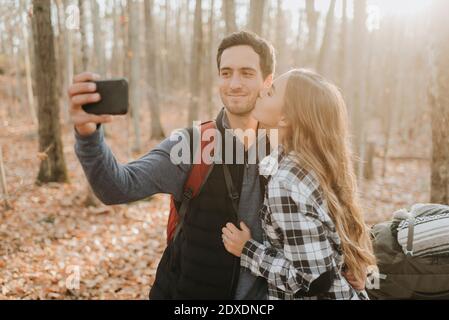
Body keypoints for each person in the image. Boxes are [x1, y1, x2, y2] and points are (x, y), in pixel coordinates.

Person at [68, 30, 364, 299]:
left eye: (247, 73)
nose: (234, 84)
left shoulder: (292, 148)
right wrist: (88, 136)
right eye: (226, 72)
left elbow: (330, 208)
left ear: (267, 82)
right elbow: (116, 187)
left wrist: (350, 261)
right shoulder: (192, 145)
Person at [222, 69, 376, 299]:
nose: (262, 91)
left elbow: (312, 280)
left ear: (284, 118)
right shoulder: (315, 163)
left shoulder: (286, 183)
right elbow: (328, 239)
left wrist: (248, 250)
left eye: (271, 92)